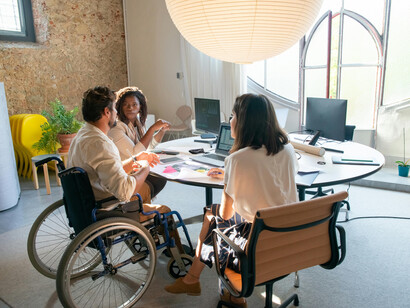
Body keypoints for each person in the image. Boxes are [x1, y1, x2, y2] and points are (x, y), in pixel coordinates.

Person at [164, 93, 299, 307]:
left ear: (244, 122)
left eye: (233, 115)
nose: (230, 121)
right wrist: (234, 175)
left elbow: (226, 215)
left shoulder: (237, 160)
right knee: (215, 216)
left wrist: (231, 175)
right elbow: (275, 182)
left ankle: (210, 285)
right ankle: (202, 283)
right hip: (290, 233)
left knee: (212, 217)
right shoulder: (288, 149)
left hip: (258, 240)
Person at [67, 86, 180, 234]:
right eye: (114, 108)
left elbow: (108, 168)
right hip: (109, 210)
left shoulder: (83, 134)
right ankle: (177, 255)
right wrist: (145, 168)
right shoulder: (101, 144)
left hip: (86, 203)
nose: (116, 112)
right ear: (107, 112)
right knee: (166, 211)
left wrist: (135, 159)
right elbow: (125, 191)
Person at [108, 86, 169, 200]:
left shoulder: (137, 124)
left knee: (161, 174)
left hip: (135, 168)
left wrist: (161, 131)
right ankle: (140, 204)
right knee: (158, 176)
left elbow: (148, 146)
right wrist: (152, 128)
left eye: (134, 104)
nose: (130, 108)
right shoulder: (117, 128)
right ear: (119, 107)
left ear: (140, 107)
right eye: (125, 104)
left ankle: (144, 203)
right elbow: (136, 153)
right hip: (123, 174)